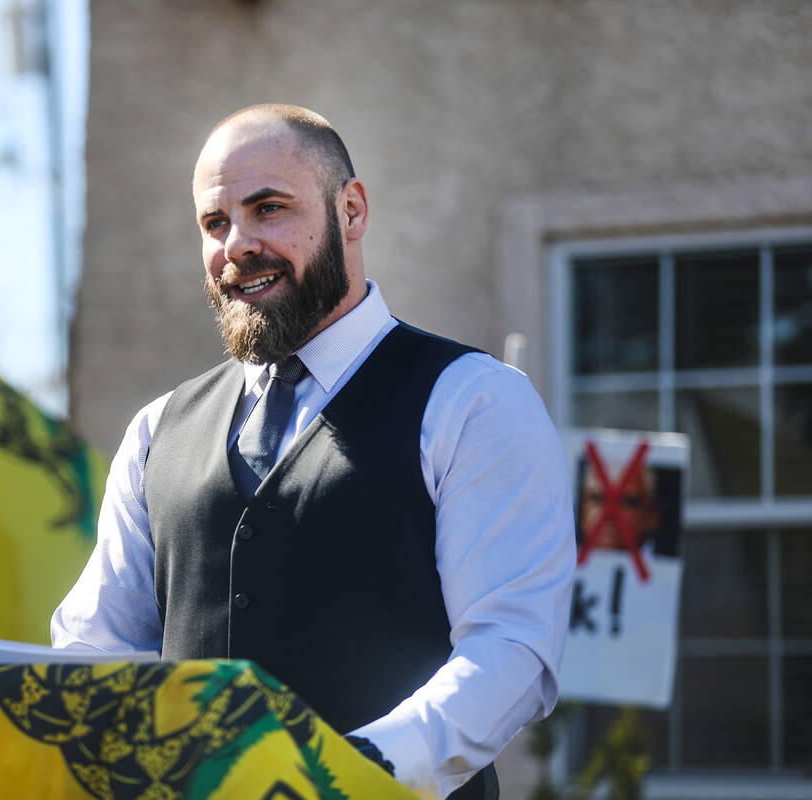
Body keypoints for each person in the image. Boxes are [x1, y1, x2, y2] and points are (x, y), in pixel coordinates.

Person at [52, 104, 575, 799]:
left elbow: (511, 651)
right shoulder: (157, 431)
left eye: (268, 208)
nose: (236, 244)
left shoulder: (473, 401)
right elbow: (96, 651)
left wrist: (346, 775)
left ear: (350, 212)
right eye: (215, 223)